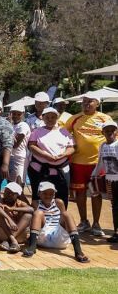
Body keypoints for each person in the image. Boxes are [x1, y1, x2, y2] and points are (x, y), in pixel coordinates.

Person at [65, 93, 111, 236]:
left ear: (97, 103)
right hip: (78, 162)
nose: (86, 104)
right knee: (80, 193)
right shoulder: (74, 118)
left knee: (96, 194)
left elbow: (114, 137)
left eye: (90, 101)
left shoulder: (105, 118)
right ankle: (84, 221)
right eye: (84, 101)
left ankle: (96, 224)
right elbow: (64, 134)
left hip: (98, 164)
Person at [23, 181, 89, 263]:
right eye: (45, 193)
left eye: (51, 193)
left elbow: (64, 220)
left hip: (59, 238)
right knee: (38, 213)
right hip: (42, 237)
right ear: (39, 193)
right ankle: (32, 247)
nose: (48, 196)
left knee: (66, 214)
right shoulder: (35, 203)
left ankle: (78, 251)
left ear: (54, 194)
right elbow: (33, 218)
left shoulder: (59, 202)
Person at [27, 107, 74, 206]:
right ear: (42, 118)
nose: (50, 119)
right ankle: (38, 218)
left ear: (57, 118)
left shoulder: (64, 131)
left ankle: (61, 218)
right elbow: (31, 145)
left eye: (53, 117)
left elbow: (72, 147)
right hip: (40, 168)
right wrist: (46, 155)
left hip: (61, 168)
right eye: (47, 117)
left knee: (62, 195)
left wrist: (63, 154)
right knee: (38, 194)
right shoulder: (36, 131)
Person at [92, 119, 117, 242]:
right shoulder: (103, 145)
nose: (110, 133)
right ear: (103, 132)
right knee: (114, 205)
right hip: (110, 180)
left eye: (112, 131)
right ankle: (116, 232)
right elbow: (100, 162)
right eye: (107, 131)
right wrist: (94, 175)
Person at [0, 182, 33, 253]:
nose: (8, 195)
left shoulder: (20, 203)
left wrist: (11, 209)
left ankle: (9, 240)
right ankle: (13, 240)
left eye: (11, 193)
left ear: (17, 195)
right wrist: (10, 220)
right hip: (3, 234)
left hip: (18, 235)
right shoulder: (1, 201)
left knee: (28, 215)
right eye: (6, 192)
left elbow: (31, 209)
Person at [9, 103, 31, 186]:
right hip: (10, 156)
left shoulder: (23, 125)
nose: (15, 116)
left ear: (23, 114)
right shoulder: (11, 125)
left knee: (19, 182)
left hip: (19, 158)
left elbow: (15, 144)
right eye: (14, 114)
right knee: (10, 181)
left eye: (18, 114)